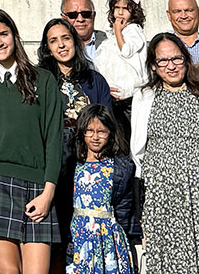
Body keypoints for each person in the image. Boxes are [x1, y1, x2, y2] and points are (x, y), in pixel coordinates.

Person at [130, 33, 199, 274]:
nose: (171, 66)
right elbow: (138, 154)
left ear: (186, 60)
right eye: (163, 61)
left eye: (176, 58)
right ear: (153, 65)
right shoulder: (143, 97)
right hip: (162, 198)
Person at [0, 8, 63, 274]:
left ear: (14, 35)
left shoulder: (43, 80)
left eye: (3, 34)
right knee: (8, 272)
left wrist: (48, 193)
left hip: (38, 186)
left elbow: (54, 140)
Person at [36, 18, 113, 272]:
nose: (61, 45)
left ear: (75, 41)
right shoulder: (40, 80)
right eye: (53, 41)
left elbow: (108, 125)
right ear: (47, 48)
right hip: (51, 170)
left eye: (65, 38)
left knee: (84, 240)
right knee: (55, 240)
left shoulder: (94, 80)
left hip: (88, 171)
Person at [67, 105, 139, 274]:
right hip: (78, 238)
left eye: (102, 131)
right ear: (82, 132)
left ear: (110, 133)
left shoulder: (121, 168)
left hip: (109, 241)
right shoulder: (72, 165)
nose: (95, 137)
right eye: (90, 131)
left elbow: (124, 208)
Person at [96, 0, 146, 136]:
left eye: (125, 8)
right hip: (114, 95)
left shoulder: (134, 30)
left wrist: (118, 31)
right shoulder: (111, 32)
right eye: (116, 7)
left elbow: (126, 51)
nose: (120, 12)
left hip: (130, 96)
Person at [59, 0, 106, 67]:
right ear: (63, 18)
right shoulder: (56, 49)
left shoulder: (110, 42)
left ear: (93, 16)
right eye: (73, 15)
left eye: (86, 14)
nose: (80, 19)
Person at [166, 0, 199, 64]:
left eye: (188, 10)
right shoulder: (161, 48)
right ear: (169, 15)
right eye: (177, 11)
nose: (183, 16)